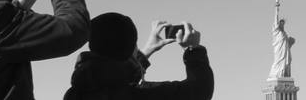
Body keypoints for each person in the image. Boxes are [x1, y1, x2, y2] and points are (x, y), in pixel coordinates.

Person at [63, 12, 214, 100]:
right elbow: (199, 91)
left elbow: (112, 75)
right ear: (131, 48)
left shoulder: (75, 94)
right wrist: (193, 48)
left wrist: (146, 51)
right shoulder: (140, 95)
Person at [268, 0, 295, 79]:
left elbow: (287, 45)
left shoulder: (284, 34)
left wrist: (290, 43)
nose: (282, 25)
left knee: (287, 61)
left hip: (285, 53)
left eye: (283, 24)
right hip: (279, 52)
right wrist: (277, 9)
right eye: (281, 23)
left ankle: (284, 74)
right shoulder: (276, 32)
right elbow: (275, 21)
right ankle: (277, 74)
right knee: (277, 62)